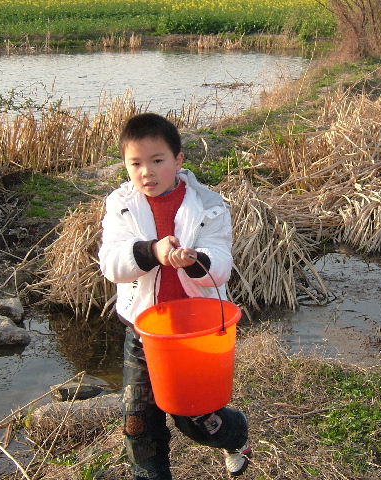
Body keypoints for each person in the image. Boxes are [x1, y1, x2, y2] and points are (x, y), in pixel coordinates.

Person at [98, 112, 250, 480]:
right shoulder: (120, 204)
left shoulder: (209, 205)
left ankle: (237, 434)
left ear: (178, 160)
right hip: (143, 333)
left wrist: (192, 260)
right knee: (138, 422)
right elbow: (112, 264)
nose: (146, 172)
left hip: (190, 336)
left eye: (157, 161)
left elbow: (221, 269)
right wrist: (152, 251)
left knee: (195, 419)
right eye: (135, 163)